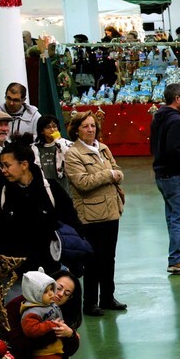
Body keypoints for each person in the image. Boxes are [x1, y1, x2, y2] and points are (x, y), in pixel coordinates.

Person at [61, 113, 126, 315]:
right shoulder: (73, 154)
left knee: (109, 258)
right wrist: (108, 175)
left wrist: (115, 174)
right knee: (93, 260)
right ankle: (89, 303)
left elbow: (119, 172)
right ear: (76, 130)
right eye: (86, 126)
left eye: (93, 126)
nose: (90, 130)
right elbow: (82, 182)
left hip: (111, 211)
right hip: (90, 215)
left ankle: (107, 297)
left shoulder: (103, 149)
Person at [149, 82, 180, 275]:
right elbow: (173, 149)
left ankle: (178, 252)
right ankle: (176, 259)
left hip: (163, 175)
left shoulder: (160, 118)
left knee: (173, 217)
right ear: (177, 99)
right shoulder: (175, 121)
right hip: (175, 176)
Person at [35, 115, 64, 180]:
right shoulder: (35, 148)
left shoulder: (64, 144)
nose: (52, 129)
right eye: (48, 127)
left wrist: (60, 142)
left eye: (54, 126)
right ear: (42, 131)